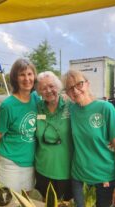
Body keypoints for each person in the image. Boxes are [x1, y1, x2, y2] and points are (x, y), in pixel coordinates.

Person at [62, 70, 115, 207]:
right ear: (67, 93)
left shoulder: (105, 108)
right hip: (79, 180)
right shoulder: (71, 109)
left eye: (79, 84)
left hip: (104, 180)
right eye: (70, 88)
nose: (76, 90)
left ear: (88, 84)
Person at [0, 58, 38, 192]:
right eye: (22, 75)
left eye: (29, 74)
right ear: (15, 78)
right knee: (11, 205)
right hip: (10, 163)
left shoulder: (37, 98)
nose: (26, 78)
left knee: (26, 203)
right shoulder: (8, 106)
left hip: (30, 163)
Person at [35, 71, 73, 200]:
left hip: (66, 170)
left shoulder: (71, 105)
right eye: (43, 88)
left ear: (58, 86)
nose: (48, 90)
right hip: (42, 169)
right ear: (39, 92)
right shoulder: (37, 108)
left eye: (51, 86)